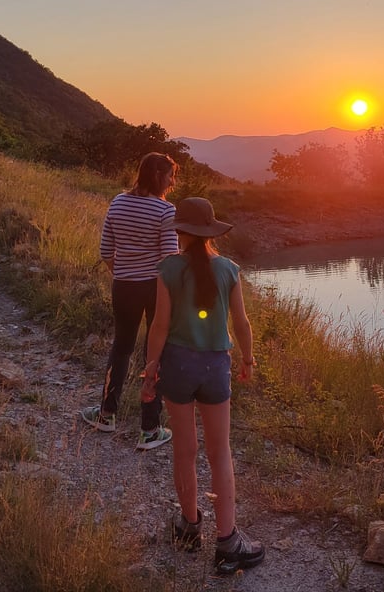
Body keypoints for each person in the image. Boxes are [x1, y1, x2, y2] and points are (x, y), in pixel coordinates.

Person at [140, 197, 266, 575]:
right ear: (210, 231)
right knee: (219, 452)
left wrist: (150, 371)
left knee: (184, 450)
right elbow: (241, 324)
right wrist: (247, 359)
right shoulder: (229, 269)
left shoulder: (168, 269)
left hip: (177, 365)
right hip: (215, 365)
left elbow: (159, 326)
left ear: (180, 232)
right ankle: (227, 542)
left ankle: (189, 526)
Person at [80, 152, 179, 451]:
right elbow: (169, 260)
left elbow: (106, 250)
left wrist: (124, 273)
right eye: (171, 175)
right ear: (159, 176)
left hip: (123, 285)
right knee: (155, 352)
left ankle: (106, 414)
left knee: (121, 348)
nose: (173, 182)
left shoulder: (118, 202)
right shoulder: (166, 211)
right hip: (155, 288)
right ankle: (149, 429)